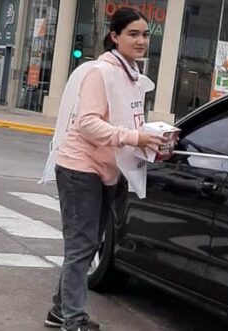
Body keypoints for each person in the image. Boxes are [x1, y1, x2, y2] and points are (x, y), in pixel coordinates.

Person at [39, 8, 165, 331]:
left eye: (145, 34)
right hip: (80, 167)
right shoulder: (101, 73)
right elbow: (87, 124)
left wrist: (151, 140)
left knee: (91, 243)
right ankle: (73, 319)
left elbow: (127, 122)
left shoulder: (132, 76)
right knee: (82, 244)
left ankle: (59, 309)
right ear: (115, 36)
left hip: (108, 168)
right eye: (132, 34)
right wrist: (133, 137)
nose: (140, 41)